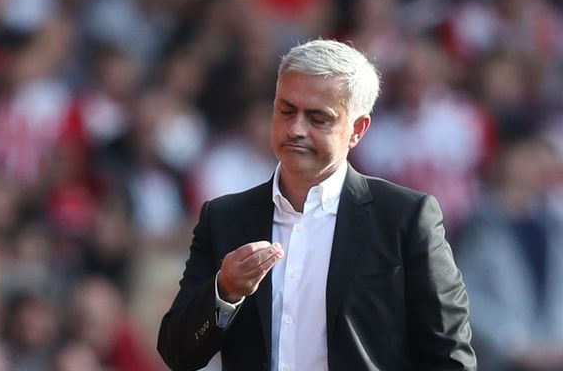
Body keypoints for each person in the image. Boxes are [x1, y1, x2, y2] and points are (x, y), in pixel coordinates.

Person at [157, 39, 476, 370]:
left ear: (357, 129)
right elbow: (177, 353)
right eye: (286, 110)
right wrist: (224, 292)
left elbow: (450, 356)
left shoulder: (405, 218)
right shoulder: (224, 218)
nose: (296, 129)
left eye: (318, 118)